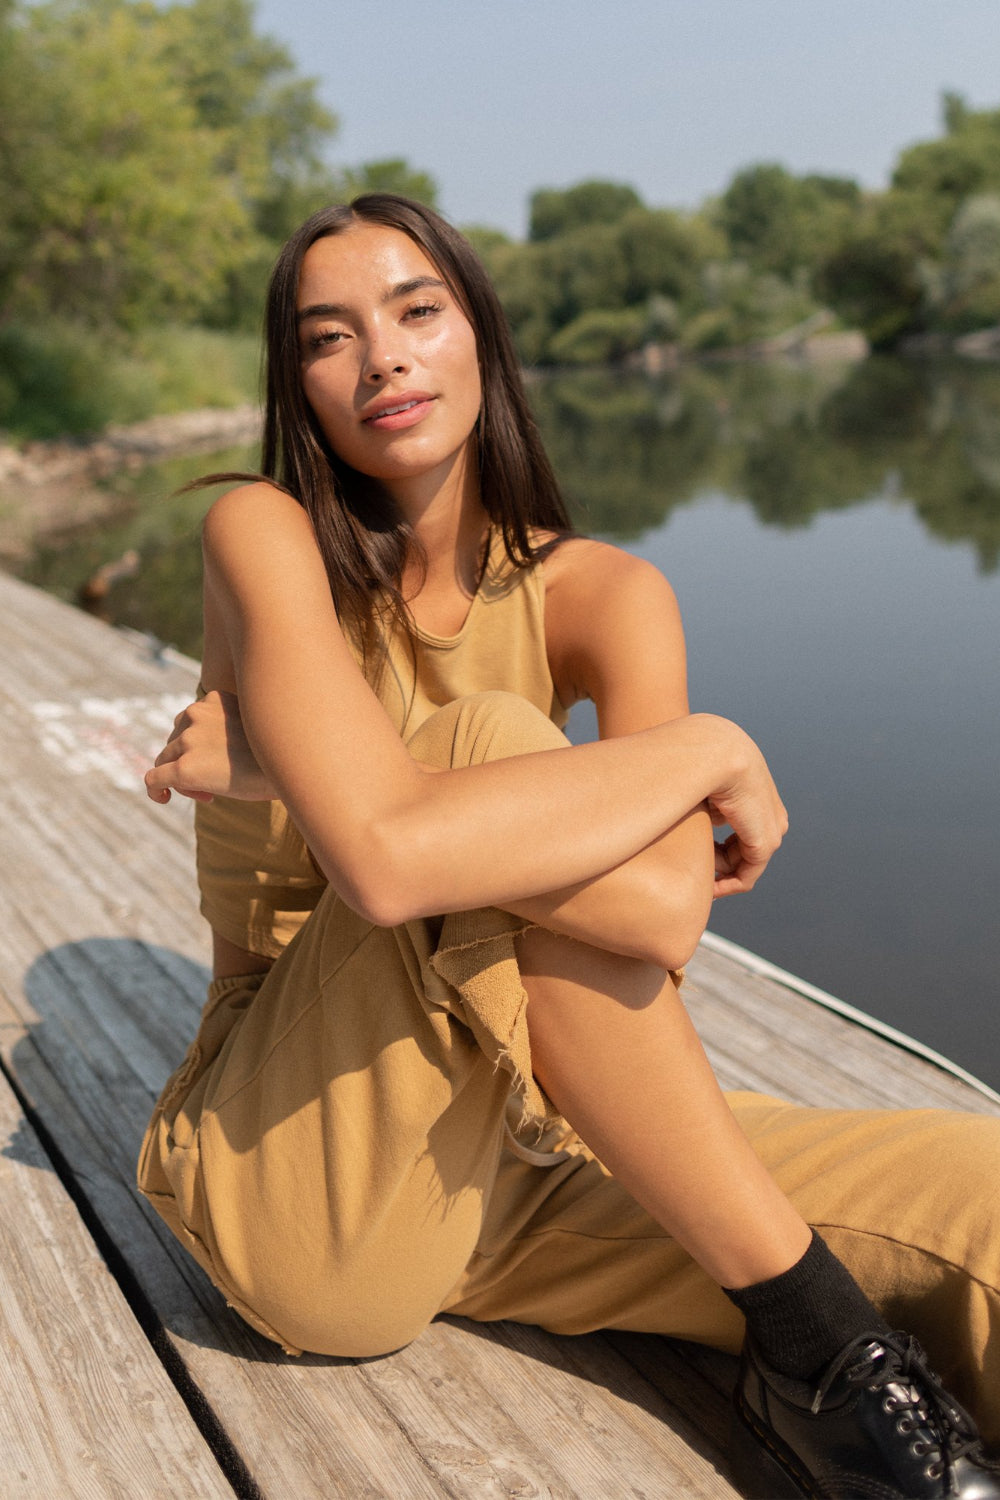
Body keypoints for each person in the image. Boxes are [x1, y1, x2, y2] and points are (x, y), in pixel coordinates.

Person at [139, 194, 1000, 1500]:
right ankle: (818, 1350)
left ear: (479, 333)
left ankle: (820, 1330)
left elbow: (660, 917)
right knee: (492, 744)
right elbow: (383, 861)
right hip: (303, 1166)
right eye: (331, 337)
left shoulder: (606, 595)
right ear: (298, 383)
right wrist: (707, 750)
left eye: (418, 311)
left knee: (982, 1197)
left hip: (531, 1142)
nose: (383, 359)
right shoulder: (264, 537)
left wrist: (279, 768)